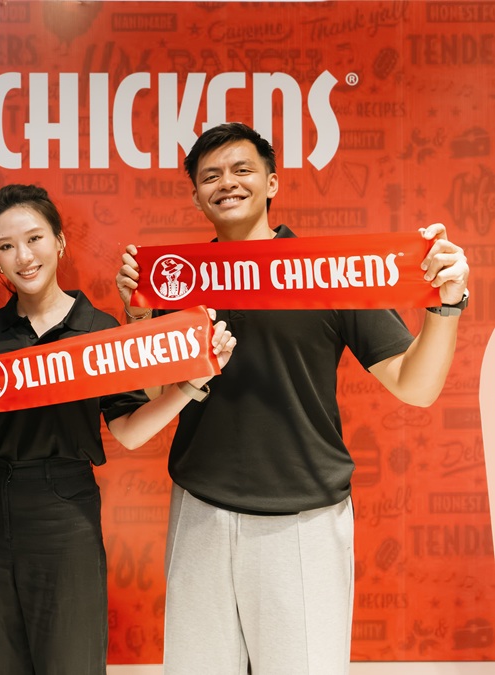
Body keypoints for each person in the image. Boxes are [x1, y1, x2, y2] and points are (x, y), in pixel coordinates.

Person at [115, 122, 470, 675]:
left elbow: (414, 385)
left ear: (272, 182)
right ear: (195, 196)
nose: (226, 184)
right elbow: (158, 397)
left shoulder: (325, 269)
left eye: (241, 170)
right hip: (200, 511)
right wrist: (138, 317)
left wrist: (444, 308)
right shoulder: (179, 281)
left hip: (301, 520)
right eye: (210, 176)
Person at [0, 184, 236, 675]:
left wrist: (190, 385)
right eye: (6, 247)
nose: (23, 257)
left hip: (62, 508)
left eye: (34, 239)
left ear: (60, 242)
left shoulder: (97, 331)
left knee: (70, 659)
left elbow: (130, 431)